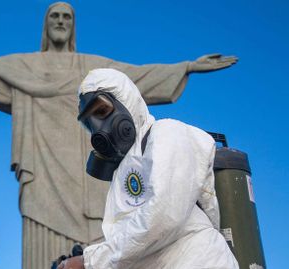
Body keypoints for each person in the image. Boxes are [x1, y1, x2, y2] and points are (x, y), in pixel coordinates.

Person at [0, 2, 237, 268]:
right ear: (46, 25)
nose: (61, 22)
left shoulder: (163, 134)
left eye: (67, 16)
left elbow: (138, 76)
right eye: (54, 16)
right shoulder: (23, 67)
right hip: (45, 171)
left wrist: (187, 67)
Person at [58, 68, 238, 269]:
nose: (98, 129)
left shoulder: (167, 132)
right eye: (89, 124)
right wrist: (94, 255)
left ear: (124, 101)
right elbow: (136, 244)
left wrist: (89, 262)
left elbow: (163, 216)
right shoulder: (121, 176)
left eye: (101, 112)